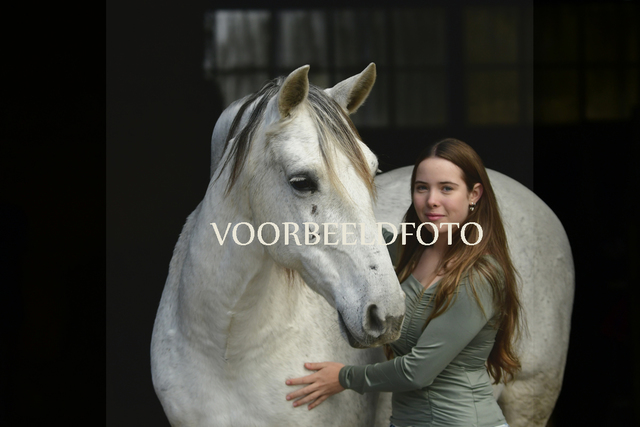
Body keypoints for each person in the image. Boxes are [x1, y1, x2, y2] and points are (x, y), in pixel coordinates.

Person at [285, 138, 522, 427]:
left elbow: (418, 371)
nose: (431, 199)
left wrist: (343, 377)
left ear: (474, 194)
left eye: (446, 188)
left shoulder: (481, 276)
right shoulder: (407, 251)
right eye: (422, 188)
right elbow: (349, 240)